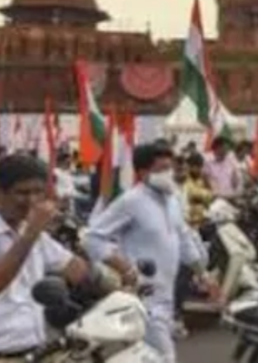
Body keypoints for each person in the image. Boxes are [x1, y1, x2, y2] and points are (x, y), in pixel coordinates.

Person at [0, 154, 96, 358]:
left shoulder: (32, 233)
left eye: (38, 192)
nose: (31, 201)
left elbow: (76, 270)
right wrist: (30, 234)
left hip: (32, 353)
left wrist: (104, 272)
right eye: (22, 193)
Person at [84, 143, 216, 363]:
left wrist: (204, 275)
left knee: (149, 357)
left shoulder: (172, 200)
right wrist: (124, 267)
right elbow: (92, 238)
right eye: (162, 169)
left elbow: (183, 238)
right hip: (144, 297)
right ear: (143, 172)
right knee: (164, 356)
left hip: (167, 294)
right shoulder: (131, 201)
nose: (169, 174)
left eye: (170, 168)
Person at [181, 153, 215, 229]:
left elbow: (212, 195)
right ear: (189, 165)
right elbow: (191, 194)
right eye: (195, 166)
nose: (198, 169)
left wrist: (207, 194)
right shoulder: (184, 178)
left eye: (200, 166)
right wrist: (205, 195)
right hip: (188, 222)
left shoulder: (203, 179)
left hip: (203, 220)